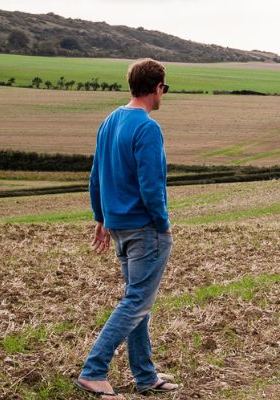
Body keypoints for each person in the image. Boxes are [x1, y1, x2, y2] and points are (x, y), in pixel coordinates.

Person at [75, 59, 179, 399]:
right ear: (157, 87)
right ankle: (93, 370)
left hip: (119, 227)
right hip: (145, 228)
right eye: (164, 88)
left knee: (139, 301)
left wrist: (101, 217)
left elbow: (96, 176)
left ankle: (145, 376)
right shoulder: (147, 127)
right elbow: (151, 185)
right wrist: (162, 223)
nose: (164, 94)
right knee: (135, 302)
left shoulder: (110, 121)